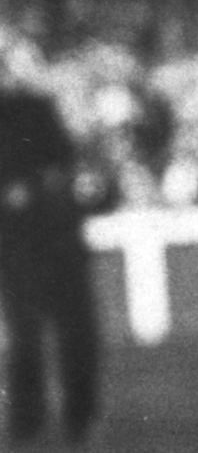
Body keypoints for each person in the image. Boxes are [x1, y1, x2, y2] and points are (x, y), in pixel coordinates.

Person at [0, 48, 101, 446]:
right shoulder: (36, 106)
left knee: (72, 331)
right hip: (22, 236)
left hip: (49, 232)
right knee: (30, 333)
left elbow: (68, 160)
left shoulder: (39, 106)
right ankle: (36, 420)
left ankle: (72, 417)